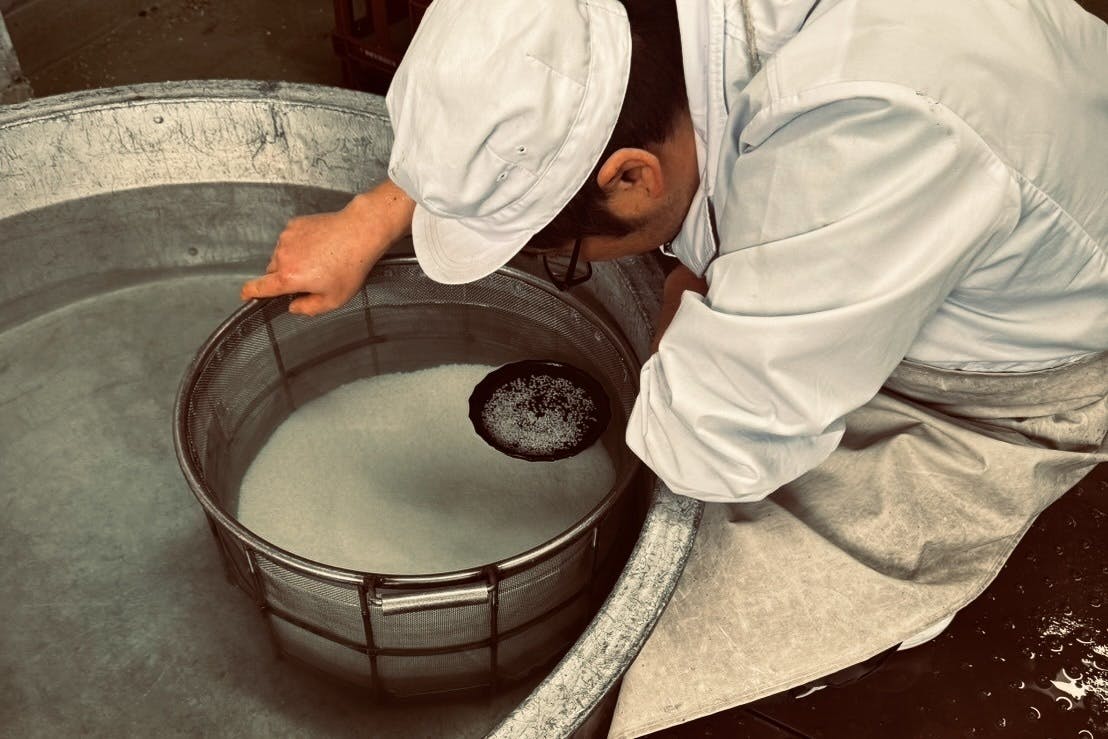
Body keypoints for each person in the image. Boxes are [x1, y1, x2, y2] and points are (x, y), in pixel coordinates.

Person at [242, 0, 1108, 735]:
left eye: (560, 253)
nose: (560, 265)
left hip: (1005, 375)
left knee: (656, 635)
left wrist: (681, 314)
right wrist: (383, 208)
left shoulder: (863, 141)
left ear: (631, 174)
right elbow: (530, 61)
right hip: (938, 183)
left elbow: (710, 450)